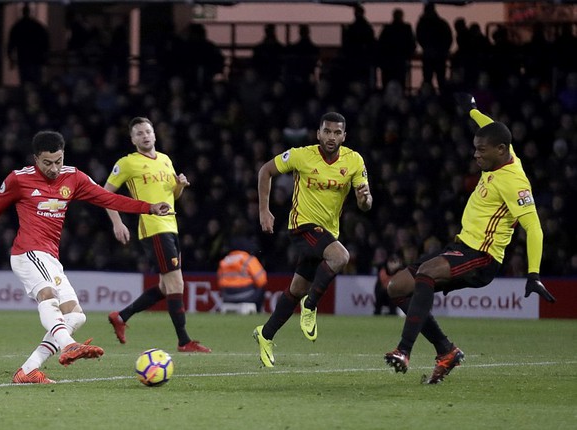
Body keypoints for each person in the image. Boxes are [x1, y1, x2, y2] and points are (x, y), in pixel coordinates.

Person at [0, 131, 172, 384]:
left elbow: (107, 198)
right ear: (36, 158)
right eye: (47, 163)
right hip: (27, 253)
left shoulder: (73, 177)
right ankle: (68, 345)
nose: (54, 168)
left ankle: (28, 370)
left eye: (59, 161)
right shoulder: (18, 179)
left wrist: (148, 207)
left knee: (76, 316)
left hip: (50, 257)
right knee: (48, 295)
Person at [383, 94, 556, 384]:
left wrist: (534, 272)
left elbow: (534, 227)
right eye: (475, 148)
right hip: (461, 247)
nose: (475, 155)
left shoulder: (514, 181)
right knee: (396, 287)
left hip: (482, 257)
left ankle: (404, 350)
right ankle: (446, 351)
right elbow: (490, 124)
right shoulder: (501, 151)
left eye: (481, 151)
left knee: (425, 273)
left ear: (501, 150)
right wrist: (473, 110)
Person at [253, 112, 373, 367]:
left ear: (344, 136)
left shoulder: (354, 161)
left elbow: (366, 204)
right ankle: (311, 306)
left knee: (296, 289)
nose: (331, 137)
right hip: (301, 226)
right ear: (318, 133)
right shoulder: (301, 155)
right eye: (327, 131)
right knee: (341, 257)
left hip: (328, 232)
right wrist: (264, 209)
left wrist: (364, 199)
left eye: (337, 132)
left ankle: (265, 334)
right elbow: (266, 171)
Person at [105, 117, 211, 353]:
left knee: (166, 287)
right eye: (139, 133)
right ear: (133, 139)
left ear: (154, 135)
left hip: (171, 226)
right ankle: (184, 341)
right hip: (153, 228)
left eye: (148, 131)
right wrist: (117, 222)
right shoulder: (127, 163)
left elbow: (173, 197)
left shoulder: (165, 160)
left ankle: (121, 317)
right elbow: (105, 194)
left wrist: (180, 186)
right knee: (176, 283)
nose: (145, 136)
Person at [217, 238, 267, 313]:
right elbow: (261, 280)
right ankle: (258, 311)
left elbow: (219, 282)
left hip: (227, 296)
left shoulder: (224, 261)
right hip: (246, 296)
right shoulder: (248, 259)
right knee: (261, 288)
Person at [7, 4, 50, 85]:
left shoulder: (18, 26)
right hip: (36, 59)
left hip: (24, 59)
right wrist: (45, 58)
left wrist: (11, 59)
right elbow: (46, 42)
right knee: (36, 83)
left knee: (25, 83)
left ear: (22, 12)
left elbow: (11, 44)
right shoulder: (37, 26)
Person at [415, 3, 452, 93]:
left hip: (428, 55)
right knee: (441, 80)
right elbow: (449, 38)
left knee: (427, 80)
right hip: (440, 56)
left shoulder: (422, 23)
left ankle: (428, 98)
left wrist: (426, 48)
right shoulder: (442, 23)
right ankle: (443, 99)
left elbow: (419, 37)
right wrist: (444, 50)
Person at [377, 8, 416, 91]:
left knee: (387, 86)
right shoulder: (406, 28)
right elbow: (412, 45)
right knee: (401, 86)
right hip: (400, 62)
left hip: (388, 63)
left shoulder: (387, 29)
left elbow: (380, 45)